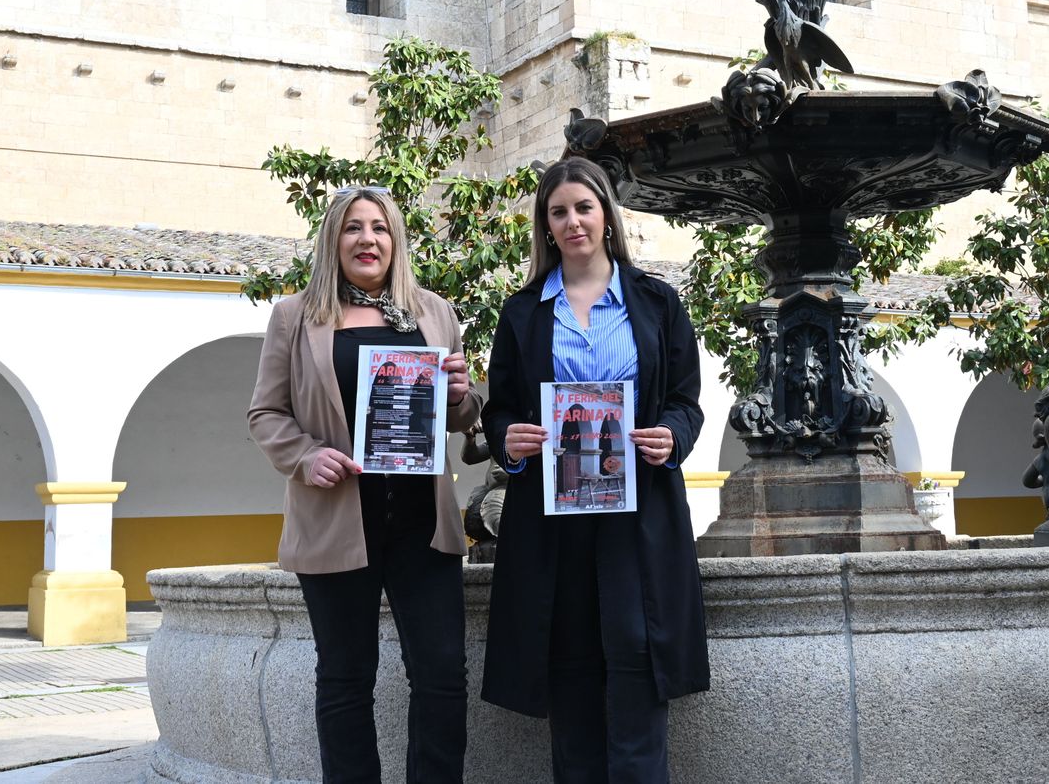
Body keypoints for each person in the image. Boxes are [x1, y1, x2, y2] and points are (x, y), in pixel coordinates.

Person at [481, 157, 708, 784]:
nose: (573, 221)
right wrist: (510, 439)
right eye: (559, 212)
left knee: (638, 665)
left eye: (584, 207)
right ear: (545, 226)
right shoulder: (523, 311)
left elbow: (686, 401)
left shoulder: (657, 302)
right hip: (553, 524)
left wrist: (672, 438)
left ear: (606, 214)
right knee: (571, 674)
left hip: (638, 517)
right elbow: (498, 409)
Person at [247, 187, 480, 784]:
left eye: (380, 228)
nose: (368, 239)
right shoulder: (295, 315)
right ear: (334, 239)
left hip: (422, 524)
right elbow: (266, 413)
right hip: (336, 520)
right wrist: (305, 456)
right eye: (354, 228)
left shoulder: (433, 312)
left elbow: (461, 416)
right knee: (346, 678)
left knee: (442, 675)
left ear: (395, 240)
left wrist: (461, 395)